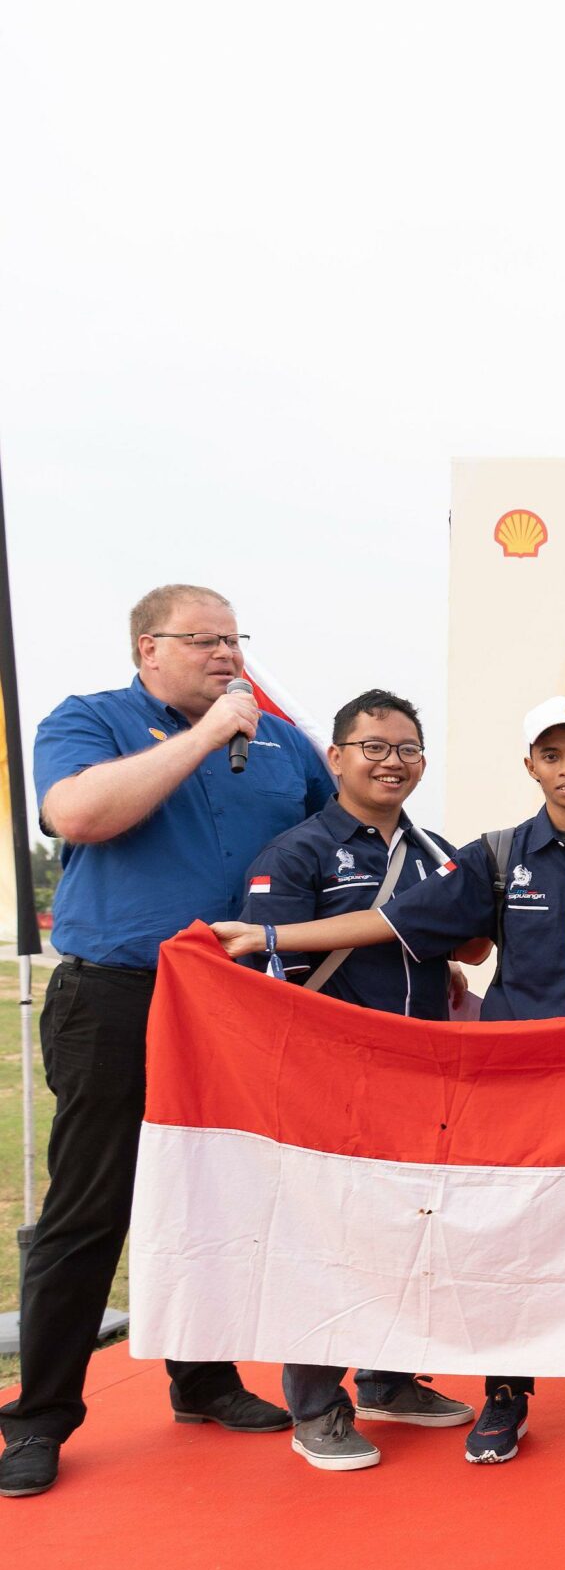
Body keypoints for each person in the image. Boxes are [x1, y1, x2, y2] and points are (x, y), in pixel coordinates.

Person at [212, 696, 565, 1464]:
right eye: (552, 754)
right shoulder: (490, 853)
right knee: (499, 1235)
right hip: (483, 1080)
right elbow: (396, 924)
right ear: (530, 764)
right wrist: (272, 933)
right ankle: (499, 1392)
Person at [1, 585, 335, 1499]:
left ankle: (203, 1378)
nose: (229, 655)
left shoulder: (280, 743)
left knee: (214, 1197)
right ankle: (40, 1416)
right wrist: (205, 736)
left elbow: (335, 837)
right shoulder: (90, 719)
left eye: (236, 639)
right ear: (149, 648)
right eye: (205, 640)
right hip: (118, 994)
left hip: (235, 1002)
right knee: (90, 1207)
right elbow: (79, 815)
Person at [239, 689, 478, 1470]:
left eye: (407, 748)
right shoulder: (297, 853)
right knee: (328, 1240)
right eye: (373, 746)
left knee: (407, 1230)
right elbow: (270, 973)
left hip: (422, 1079)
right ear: (337, 757)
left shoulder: (437, 850)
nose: (391, 761)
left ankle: (387, 1378)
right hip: (331, 1083)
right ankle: (316, 1405)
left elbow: (474, 945)